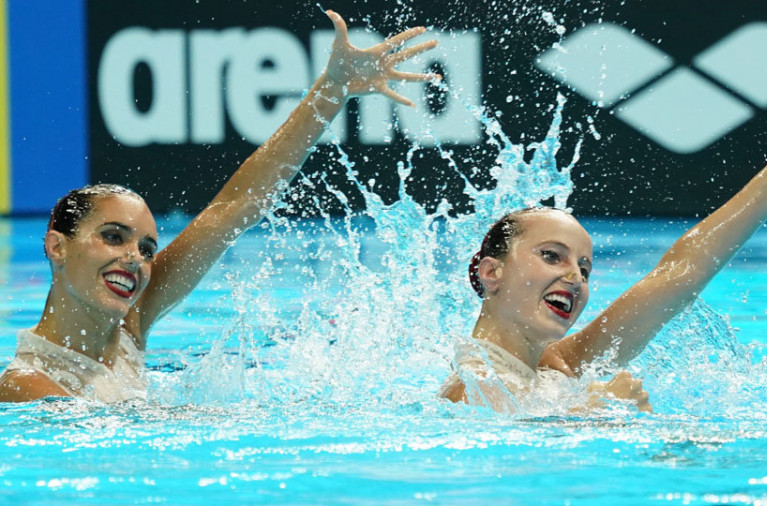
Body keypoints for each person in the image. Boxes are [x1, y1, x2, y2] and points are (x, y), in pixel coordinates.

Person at [0, 11, 439, 403]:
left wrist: (332, 90)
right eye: (113, 236)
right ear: (57, 247)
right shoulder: (26, 384)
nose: (134, 258)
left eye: (148, 249)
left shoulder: (128, 328)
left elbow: (235, 207)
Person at [441, 92, 767, 413]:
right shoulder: (470, 387)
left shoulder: (563, 364)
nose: (576, 278)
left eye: (584, 266)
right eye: (551, 256)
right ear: (491, 272)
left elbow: (679, 273)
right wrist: (589, 412)